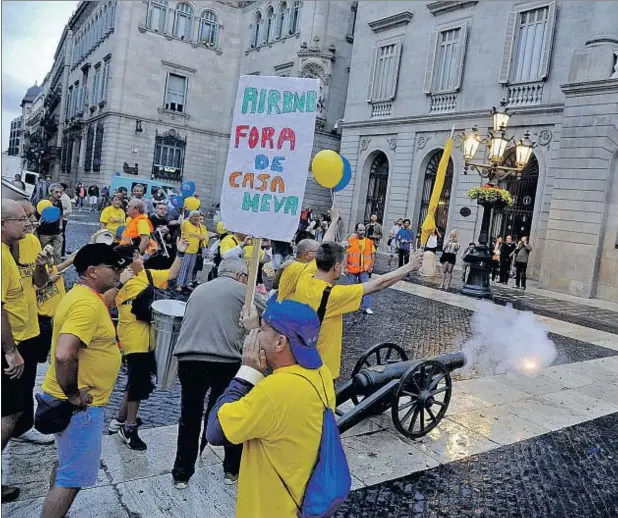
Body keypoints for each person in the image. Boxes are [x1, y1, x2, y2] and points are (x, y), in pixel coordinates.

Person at [205, 299, 335, 518]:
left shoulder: (274, 393)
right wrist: (260, 329)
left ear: (280, 343)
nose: (254, 336)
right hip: (302, 501)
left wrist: (246, 372)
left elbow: (215, 432)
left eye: (261, 329)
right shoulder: (322, 373)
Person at [39, 244, 127, 518]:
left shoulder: (82, 294)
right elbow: (65, 354)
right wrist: (74, 395)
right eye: (114, 268)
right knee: (72, 479)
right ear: (92, 271)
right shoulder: (86, 304)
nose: (118, 272)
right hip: (80, 407)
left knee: (67, 466)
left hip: (71, 402)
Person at [291, 211, 423, 379]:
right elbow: (379, 283)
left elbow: (326, 243)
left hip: (298, 358)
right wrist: (409, 266)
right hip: (321, 369)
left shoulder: (306, 275)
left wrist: (334, 220)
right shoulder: (333, 295)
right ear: (337, 267)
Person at [171, 257, 265, 488]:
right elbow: (270, 313)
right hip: (225, 359)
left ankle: (181, 473)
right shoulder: (244, 291)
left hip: (188, 358)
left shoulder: (199, 289)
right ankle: (231, 469)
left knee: (189, 417)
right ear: (241, 276)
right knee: (231, 413)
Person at [106, 238, 188, 450]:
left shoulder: (147, 274)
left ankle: (119, 418)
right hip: (133, 340)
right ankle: (130, 427)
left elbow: (171, 274)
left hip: (149, 337)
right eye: (136, 256)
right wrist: (120, 282)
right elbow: (105, 302)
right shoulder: (118, 281)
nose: (141, 258)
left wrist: (180, 253)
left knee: (137, 381)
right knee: (138, 383)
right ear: (126, 262)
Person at [10, 200, 54, 444]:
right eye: (24, 218)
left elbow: (39, 282)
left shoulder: (34, 241)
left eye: (31, 217)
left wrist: (41, 267)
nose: (30, 222)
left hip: (29, 324)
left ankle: (23, 426)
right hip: (8, 328)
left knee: (26, 380)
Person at [1, 201, 35, 502]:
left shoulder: (9, 251)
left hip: (19, 340)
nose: (28, 223)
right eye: (21, 219)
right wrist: (10, 350)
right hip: (7, 348)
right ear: (2, 224)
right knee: (8, 413)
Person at [346, 223, 376, 315]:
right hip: (352, 268)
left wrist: (371, 266)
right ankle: (349, 305)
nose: (362, 232)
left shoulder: (369, 242)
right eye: (360, 230)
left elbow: (373, 255)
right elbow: (345, 254)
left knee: (367, 288)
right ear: (356, 231)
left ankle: (367, 307)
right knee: (350, 288)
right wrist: (344, 267)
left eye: (363, 230)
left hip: (364, 269)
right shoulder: (350, 241)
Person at [176, 210, 208, 292]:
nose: (197, 218)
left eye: (198, 216)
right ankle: (180, 284)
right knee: (184, 268)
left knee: (191, 268)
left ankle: (186, 284)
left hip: (195, 251)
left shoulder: (200, 227)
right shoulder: (186, 224)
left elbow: (203, 237)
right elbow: (181, 222)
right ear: (190, 217)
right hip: (186, 250)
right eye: (195, 216)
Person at [37, 183, 65, 264]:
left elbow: (60, 215)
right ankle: (45, 271)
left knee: (57, 254)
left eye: (60, 192)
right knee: (45, 254)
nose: (59, 194)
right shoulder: (43, 202)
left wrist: (61, 227)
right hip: (45, 233)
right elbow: (37, 216)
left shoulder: (59, 203)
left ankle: (57, 271)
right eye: (56, 192)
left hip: (57, 233)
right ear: (51, 192)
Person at [59, 183, 72, 258]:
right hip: (57, 219)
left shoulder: (66, 198)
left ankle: (62, 253)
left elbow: (69, 210)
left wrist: (61, 213)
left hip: (63, 219)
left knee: (62, 234)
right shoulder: (58, 196)